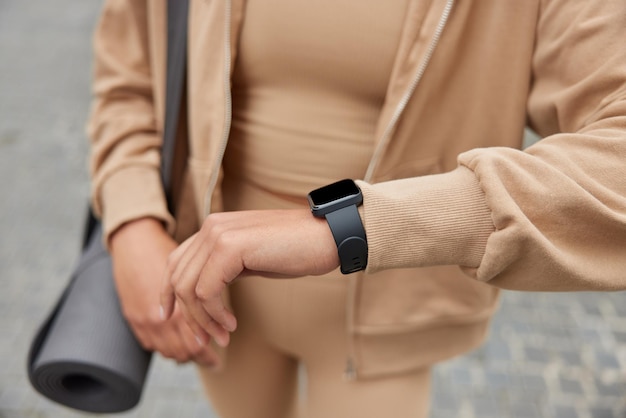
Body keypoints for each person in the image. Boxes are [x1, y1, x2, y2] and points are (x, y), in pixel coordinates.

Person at [88, 0, 626, 417]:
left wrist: (348, 226)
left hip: (386, 320)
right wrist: (131, 222)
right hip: (217, 302)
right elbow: (129, 73)